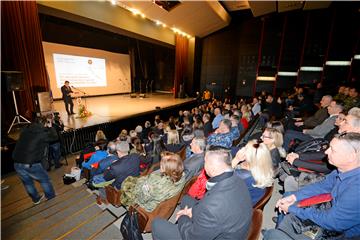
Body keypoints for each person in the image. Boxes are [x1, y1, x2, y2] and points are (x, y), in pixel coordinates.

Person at [264, 133, 360, 239]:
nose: (326, 152)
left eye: (333, 150)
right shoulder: (343, 169)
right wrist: (295, 197)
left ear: (351, 157)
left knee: (273, 235)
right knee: (289, 195)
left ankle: (280, 231)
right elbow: (324, 185)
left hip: (341, 233)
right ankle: (282, 228)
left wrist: (294, 209)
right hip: (332, 208)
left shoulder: (356, 189)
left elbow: (333, 222)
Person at [151, 146, 252, 240]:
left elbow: (191, 237)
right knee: (186, 199)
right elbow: (208, 206)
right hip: (225, 220)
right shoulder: (237, 179)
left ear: (212, 168)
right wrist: (192, 211)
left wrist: (183, 217)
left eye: (205, 162)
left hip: (200, 234)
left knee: (156, 224)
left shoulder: (211, 208)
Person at [12, 117, 57, 204]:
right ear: (44, 124)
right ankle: (51, 197)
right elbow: (54, 137)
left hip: (17, 162)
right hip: (31, 163)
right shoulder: (42, 133)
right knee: (45, 180)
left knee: (28, 183)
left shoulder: (25, 130)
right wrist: (50, 126)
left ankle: (36, 199)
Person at [120, 152, 186, 212]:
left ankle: (127, 206)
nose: (160, 163)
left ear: (167, 168)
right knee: (133, 179)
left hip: (147, 205)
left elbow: (142, 198)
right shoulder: (182, 176)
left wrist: (142, 182)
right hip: (158, 198)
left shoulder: (154, 183)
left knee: (126, 184)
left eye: (162, 163)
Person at [232, 140, 274, 206]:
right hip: (249, 197)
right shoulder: (262, 164)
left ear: (249, 157)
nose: (242, 149)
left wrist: (236, 159)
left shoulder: (244, 176)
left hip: (240, 205)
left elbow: (219, 180)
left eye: (246, 149)